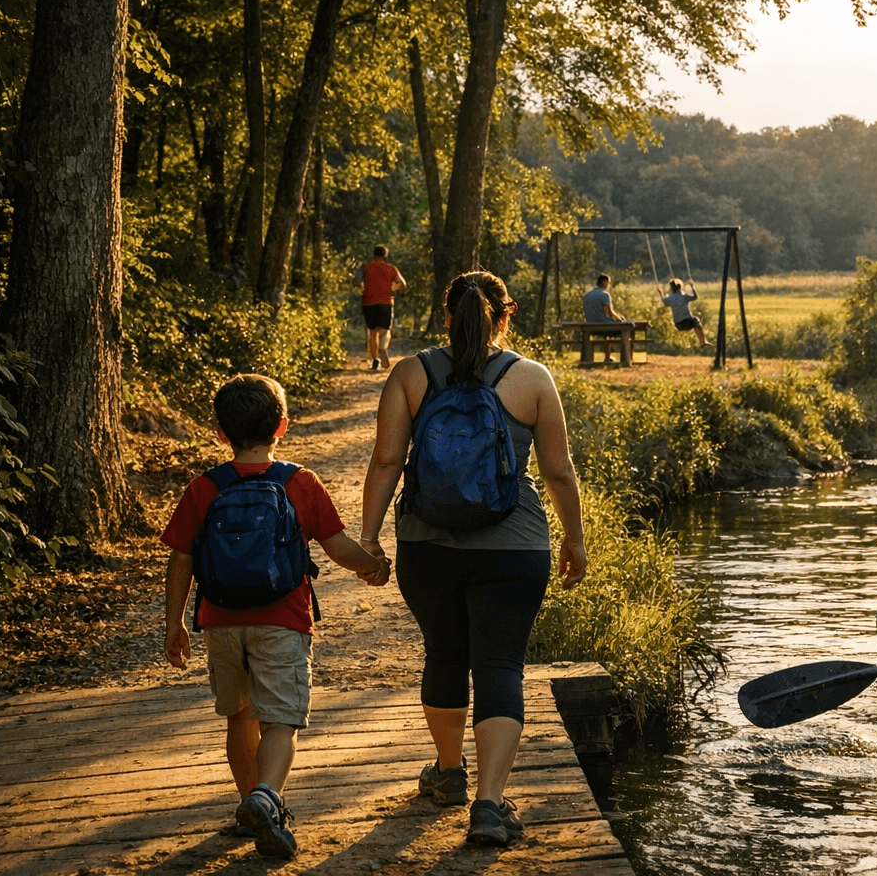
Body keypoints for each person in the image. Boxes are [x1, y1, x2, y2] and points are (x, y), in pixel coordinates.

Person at [361, 269, 589, 847]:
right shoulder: (531, 378)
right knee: (499, 666)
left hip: (426, 545)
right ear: (504, 317)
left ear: (445, 315)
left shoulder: (411, 374)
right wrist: (574, 538)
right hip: (514, 547)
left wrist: (370, 537)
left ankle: (449, 773)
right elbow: (559, 472)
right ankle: (489, 806)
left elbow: (387, 462)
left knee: (444, 654)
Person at [162, 374, 391, 859]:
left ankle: (249, 805)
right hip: (283, 621)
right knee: (281, 720)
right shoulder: (300, 482)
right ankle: (268, 797)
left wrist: (175, 623)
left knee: (239, 716)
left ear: (222, 433)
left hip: (220, 623)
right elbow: (337, 546)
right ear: (282, 426)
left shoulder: (204, 488)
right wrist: (373, 566)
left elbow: (180, 557)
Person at [355, 245, 408, 371]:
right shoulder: (391, 269)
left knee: (372, 332)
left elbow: (356, 281)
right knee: (384, 330)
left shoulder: (365, 267)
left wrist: (362, 287)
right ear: (385, 256)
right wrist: (394, 288)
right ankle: (383, 349)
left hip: (368, 302)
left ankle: (375, 360)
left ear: (373, 255)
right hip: (386, 302)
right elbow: (403, 283)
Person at [658, 277, 711, 347]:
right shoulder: (684, 296)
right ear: (680, 287)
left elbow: (664, 302)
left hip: (678, 324)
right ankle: (703, 341)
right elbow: (695, 297)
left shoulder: (671, 298)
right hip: (686, 322)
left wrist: (661, 293)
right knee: (697, 322)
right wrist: (692, 286)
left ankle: (703, 342)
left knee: (696, 325)